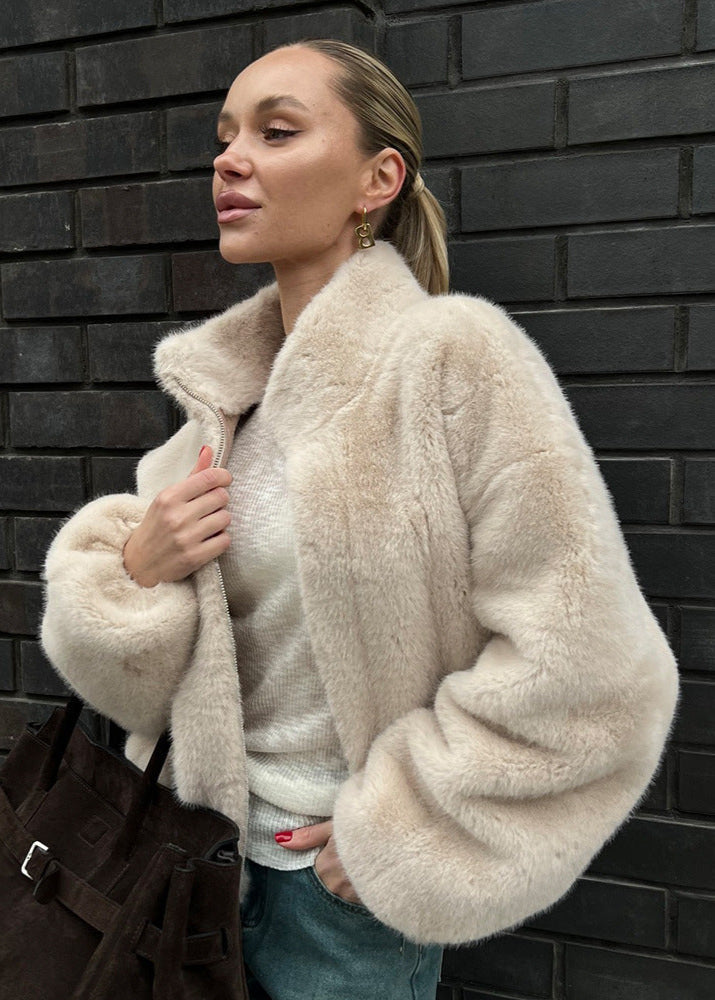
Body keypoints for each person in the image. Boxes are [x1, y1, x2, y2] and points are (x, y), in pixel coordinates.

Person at [40, 38, 679, 1000]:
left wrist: (405, 833)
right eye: (224, 136)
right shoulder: (219, 412)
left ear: (377, 179)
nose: (229, 160)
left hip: (332, 914)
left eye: (276, 131)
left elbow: (591, 666)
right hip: (181, 883)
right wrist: (135, 570)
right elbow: (144, 697)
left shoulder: (448, 362)